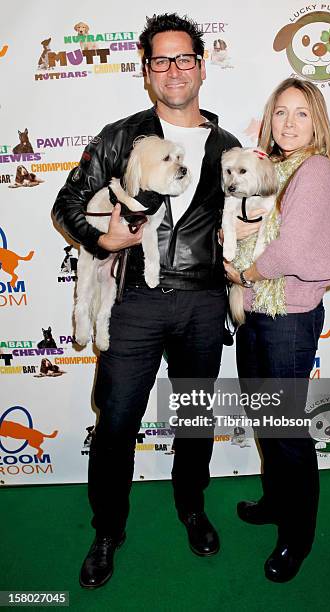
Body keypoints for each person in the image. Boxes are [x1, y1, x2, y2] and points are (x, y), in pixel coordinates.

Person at [52, 13, 248, 589]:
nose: (173, 70)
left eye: (184, 58)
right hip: (133, 303)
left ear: (202, 67)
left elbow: (246, 217)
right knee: (114, 424)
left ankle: (193, 507)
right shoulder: (119, 138)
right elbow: (68, 203)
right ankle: (108, 530)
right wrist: (99, 237)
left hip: (202, 304)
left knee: (192, 420)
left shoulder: (228, 146)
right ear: (146, 70)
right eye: (160, 60)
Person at [224, 78, 330, 583]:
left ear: (316, 121)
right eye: (280, 113)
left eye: (300, 113)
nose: (288, 123)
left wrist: (244, 274)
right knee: (266, 418)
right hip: (256, 312)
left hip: (288, 316)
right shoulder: (272, 168)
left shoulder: (315, 170)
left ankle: (298, 535)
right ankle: (276, 502)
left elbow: (291, 248)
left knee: (288, 432)